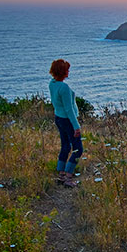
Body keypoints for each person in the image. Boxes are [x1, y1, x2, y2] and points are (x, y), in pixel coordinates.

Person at [49, 59, 83, 187]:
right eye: (67, 70)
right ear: (63, 72)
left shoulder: (52, 84)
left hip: (59, 118)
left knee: (65, 146)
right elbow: (69, 109)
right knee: (78, 149)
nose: (68, 72)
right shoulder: (64, 87)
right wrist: (76, 127)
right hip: (68, 120)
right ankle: (69, 177)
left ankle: (61, 175)